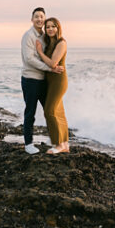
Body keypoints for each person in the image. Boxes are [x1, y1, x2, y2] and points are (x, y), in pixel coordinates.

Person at [20, 8, 63, 155]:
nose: (39, 19)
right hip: (30, 80)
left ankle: (55, 140)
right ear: (32, 19)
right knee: (30, 112)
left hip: (43, 81)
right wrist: (50, 68)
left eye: (41, 17)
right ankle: (28, 144)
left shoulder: (45, 36)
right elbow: (29, 59)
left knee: (49, 111)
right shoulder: (28, 36)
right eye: (36, 17)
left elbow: (51, 56)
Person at [35, 17, 69, 154]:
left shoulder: (61, 43)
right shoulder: (49, 43)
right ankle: (65, 144)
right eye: (47, 27)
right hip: (50, 80)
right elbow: (49, 65)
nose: (50, 29)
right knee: (59, 112)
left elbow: (53, 63)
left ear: (58, 28)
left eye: (53, 26)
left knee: (49, 111)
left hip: (58, 81)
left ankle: (58, 144)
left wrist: (40, 52)